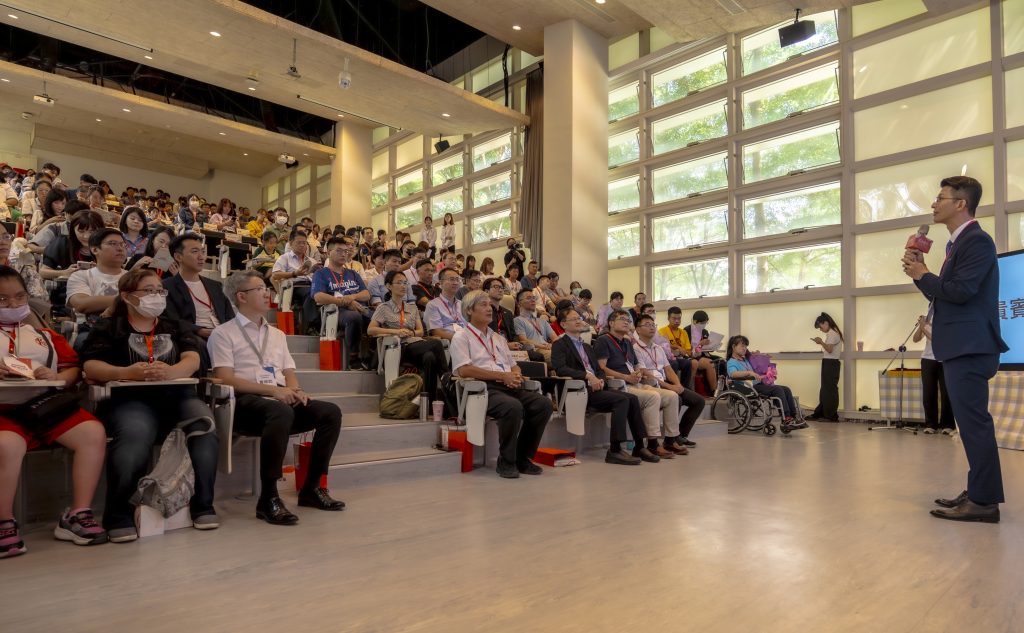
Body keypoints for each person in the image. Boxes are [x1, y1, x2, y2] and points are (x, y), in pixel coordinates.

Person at [81, 269, 219, 542]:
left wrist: (172, 371)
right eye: (148, 290)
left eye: (159, 290)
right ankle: (119, 515)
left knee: (204, 424)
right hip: (129, 400)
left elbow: (192, 359)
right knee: (135, 432)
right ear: (126, 296)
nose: (156, 296)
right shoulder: (109, 327)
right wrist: (126, 372)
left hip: (177, 396)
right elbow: (91, 365)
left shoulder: (175, 326)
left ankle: (203, 505)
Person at [902, 176, 1007, 523]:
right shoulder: (956, 244)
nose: (934, 204)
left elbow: (960, 292)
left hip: (970, 347)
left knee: (975, 427)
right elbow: (944, 295)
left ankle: (984, 502)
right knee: (972, 425)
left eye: (940, 198)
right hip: (961, 345)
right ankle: (979, 492)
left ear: (961, 203)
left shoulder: (976, 241)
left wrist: (924, 273)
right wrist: (919, 274)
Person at [209, 271, 345, 525]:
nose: (267, 292)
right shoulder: (223, 333)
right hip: (243, 402)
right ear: (241, 296)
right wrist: (273, 391)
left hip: (278, 400)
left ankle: (312, 488)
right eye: (260, 289)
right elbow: (225, 378)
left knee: (330, 412)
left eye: (266, 288)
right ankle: (269, 497)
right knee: (280, 411)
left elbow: (288, 373)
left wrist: (295, 390)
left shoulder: (277, 334)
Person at [0, 266, 108, 555]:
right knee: (7, 444)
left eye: (19, 297)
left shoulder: (44, 334)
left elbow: (73, 369)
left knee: (92, 433)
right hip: (3, 411)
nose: (12, 304)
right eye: (3, 299)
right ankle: (4, 521)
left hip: (44, 406)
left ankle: (78, 513)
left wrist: (57, 376)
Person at [449, 290, 552, 478]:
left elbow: (514, 366)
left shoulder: (499, 338)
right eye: (483, 305)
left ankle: (523, 458)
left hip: (507, 385)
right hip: (481, 389)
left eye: (489, 304)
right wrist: (502, 376)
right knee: (512, 406)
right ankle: (506, 461)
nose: (489, 308)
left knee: (543, 404)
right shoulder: (461, 336)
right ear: (469, 310)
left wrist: (516, 375)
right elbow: (464, 370)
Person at [551, 308, 649, 466]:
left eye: (579, 318)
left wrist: (601, 380)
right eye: (574, 319)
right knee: (621, 400)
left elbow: (599, 370)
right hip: (578, 390)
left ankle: (639, 446)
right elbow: (560, 369)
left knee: (632, 398)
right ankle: (614, 450)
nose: (579, 321)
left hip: (597, 388)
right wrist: (587, 376)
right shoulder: (559, 344)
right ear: (563, 324)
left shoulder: (587, 346)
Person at [594, 310, 674, 461]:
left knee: (671, 396)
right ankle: (652, 443)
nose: (626, 322)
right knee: (653, 397)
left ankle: (671, 439)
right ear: (611, 323)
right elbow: (601, 368)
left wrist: (637, 373)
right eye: (622, 319)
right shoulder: (603, 340)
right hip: (618, 385)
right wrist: (626, 377)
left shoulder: (627, 342)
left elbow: (635, 364)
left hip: (635, 382)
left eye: (628, 320)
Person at [368, 271, 448, 398]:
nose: (403, 286)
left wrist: (412, 332)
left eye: (405, 283)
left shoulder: (412, 308)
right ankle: (446, 379)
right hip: (397, 347)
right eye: (399, 283)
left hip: (414, 344)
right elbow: (371, 330)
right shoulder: (383, 308)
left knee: (430, 357)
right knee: (436, 343)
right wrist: (396, 332)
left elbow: (420, 331)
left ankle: (429, 399)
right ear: (389, 286)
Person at [633, 314, 704, 450]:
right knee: (676, 398)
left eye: (653, 325)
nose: (652, 328)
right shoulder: (635, 349)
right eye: (647, 325)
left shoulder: (658, 348)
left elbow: (668, 369)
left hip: (665, 383)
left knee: (698, 401)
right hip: (650, 384)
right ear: (638, 329)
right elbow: (645, 373)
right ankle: (670, 440)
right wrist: (670, 387)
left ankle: (680, 435)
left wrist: (677, 384)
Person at [163, 233, 234, 343]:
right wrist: (199, 330)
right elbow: (171, 320)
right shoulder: (167, 286)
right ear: (178, 257)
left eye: (203, 252)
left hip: (224, 337)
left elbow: (230, 316)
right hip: (193, 337)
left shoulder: (216, 286)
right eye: (195, 252)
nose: (201, 257)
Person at [311, 237, 371, 369]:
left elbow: (366, 294)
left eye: (346, 251)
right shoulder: (320, 273)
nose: (344, 254)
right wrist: (345, 303)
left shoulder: (353, 273)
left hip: (359, 307)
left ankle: (372, 357)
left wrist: (352, 297)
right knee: (354, 317)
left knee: (379, 318)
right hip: (336, 310)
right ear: (328, 252)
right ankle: (353, 358)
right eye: (339, 251)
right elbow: (318, 297)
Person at [725, 335, 805, 432]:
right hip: (747, 387)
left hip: (756, 385)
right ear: (733, 347)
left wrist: (761, 357)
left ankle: (793, 416)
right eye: (742, 346)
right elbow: (733, 374)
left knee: (786, 389)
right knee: (777, 390)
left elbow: (754, 356)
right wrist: (749, 373)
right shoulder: (731, 362)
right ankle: (786, 418)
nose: (745, 348)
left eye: (746, 346)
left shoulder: (745, 359)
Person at [66, 228, 127, 345]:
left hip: (128, 329)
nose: (120, 248)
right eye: (112, 243)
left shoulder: (133, 277)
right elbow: (82, 304)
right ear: (95, 249)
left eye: (122, 244)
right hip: (92, 329)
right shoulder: (81, 276)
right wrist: (128, 300)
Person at [913, 312, 955, 435]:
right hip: (927, 359)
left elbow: (937, 339)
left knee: (946, 393)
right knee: (928, 392)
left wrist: (924, 325)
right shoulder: (928, 319)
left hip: (945, 359)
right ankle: (930, 424)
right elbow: (915, 339)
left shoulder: (947, 317)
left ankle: (947, 424)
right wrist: (921, 326)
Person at [809, 312, 842, 422]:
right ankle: (822, 413)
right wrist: (821, 342)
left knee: (830, 390)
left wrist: (821, 342)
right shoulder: (832, 333)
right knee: (825, 389)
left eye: (821, 327)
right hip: (829, 362)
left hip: (831, 363)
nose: (820, 329)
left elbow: (829, 349)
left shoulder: (832, 333)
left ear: (826, 323)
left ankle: (831, 415)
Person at [514, 289, 558, 362]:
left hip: (548, 348)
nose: (533, 300)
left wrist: (553, 345)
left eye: (534, 298)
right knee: (560, 357)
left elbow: (555, 338)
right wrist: (544, 346)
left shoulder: (542, 321)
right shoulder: (518, 320)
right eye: (528, 298)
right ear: (519, 303)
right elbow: (524, 340)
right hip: (536, 350)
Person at [424, 268, 465, 341]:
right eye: (452, 279)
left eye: (457, 279)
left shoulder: (462, 304)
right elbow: (437, 332)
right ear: (441, 283)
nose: (455, 283)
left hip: (466, 338)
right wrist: (462, 339)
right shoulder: (433, 305)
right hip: (451, 342)